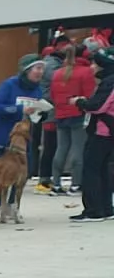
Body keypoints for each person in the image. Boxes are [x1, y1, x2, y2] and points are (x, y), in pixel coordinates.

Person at [48, 43, 98, 196]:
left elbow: (53, 95)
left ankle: (56, 184)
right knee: (78, 149)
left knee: (61, 148)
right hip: (78, 113)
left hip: (61, 114)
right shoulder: (86, 72)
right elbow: (90, 96)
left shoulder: (57, 73)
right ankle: (75, 184)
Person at [74, 43, 114, 223]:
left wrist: (80, 102)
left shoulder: (110, 81)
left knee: (91, 169)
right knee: (103, 169)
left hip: (102, 131)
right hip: (108, 132)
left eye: (95, 63)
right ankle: (106, 207)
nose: (91, 66)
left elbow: (98, 106)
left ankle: (94, 210)